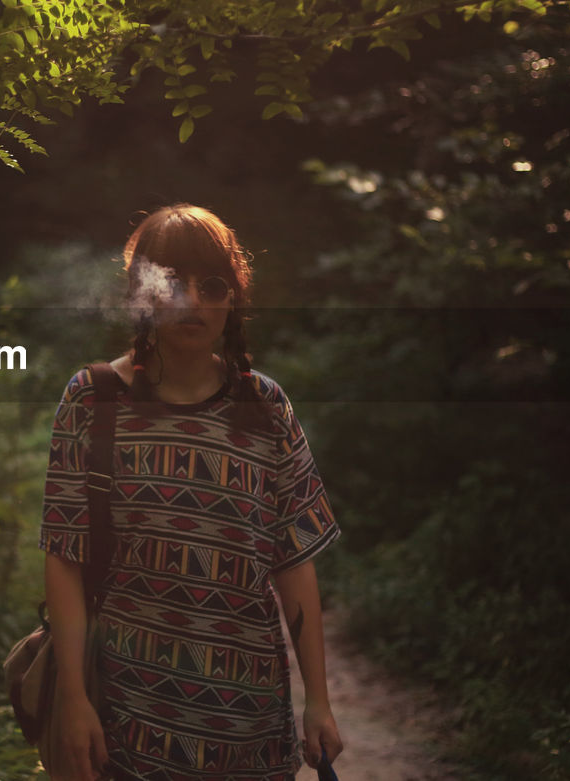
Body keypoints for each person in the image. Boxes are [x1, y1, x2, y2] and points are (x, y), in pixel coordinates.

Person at [39, 204, 344, 781]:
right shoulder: (93, 399)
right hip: (129, 724)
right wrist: (75, 700)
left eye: (212, 285)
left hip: (250, 727)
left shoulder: (266, 408)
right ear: (141, 293)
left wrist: (319, 700)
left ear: (234, 299)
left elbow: (294, 562)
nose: (194, 301)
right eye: (173, 282)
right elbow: (63, 558)